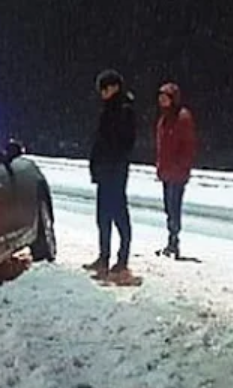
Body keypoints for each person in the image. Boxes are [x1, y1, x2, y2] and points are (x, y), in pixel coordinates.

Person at [85, 69, 136, 281]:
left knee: (118, 214)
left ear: (113, 87)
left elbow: (122, 142)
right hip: (105, 170)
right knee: (103, 216)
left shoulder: (123, 110)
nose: (102, 94)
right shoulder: (109, 109)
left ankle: (122, 260)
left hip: (114, 170)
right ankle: (103, 257)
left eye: (104, 89)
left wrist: (108, 161)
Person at [155, 82, 197, 259]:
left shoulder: (182, 118)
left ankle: (174, 240)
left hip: (177, 172)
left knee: (174, 206)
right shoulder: (163, 119)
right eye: (161, 97)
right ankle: (171, 239)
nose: (162, 100)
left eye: (165, 97)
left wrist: (182, 165)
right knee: (168, 207)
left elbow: (188, 145)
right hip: (167, 171)